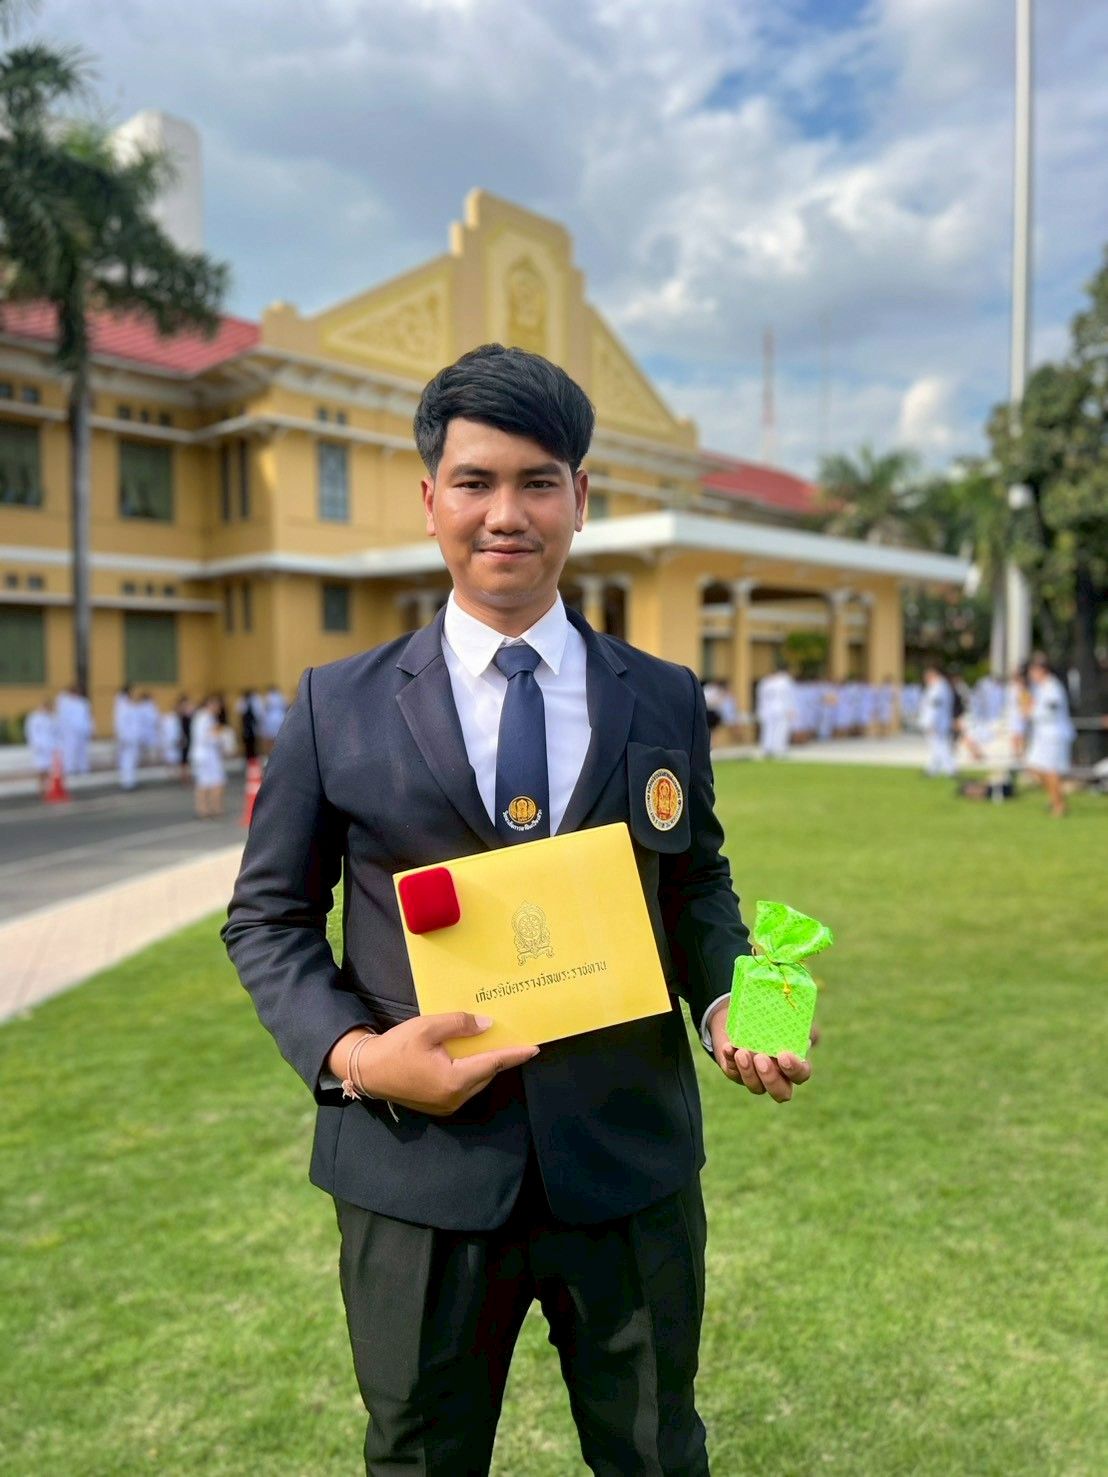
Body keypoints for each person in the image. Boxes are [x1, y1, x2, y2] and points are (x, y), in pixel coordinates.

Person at [223, 344, 811, 1477]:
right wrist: (358, 1057)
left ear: (580, 498)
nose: (507, 513)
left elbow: (694, 884)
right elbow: (268, 919)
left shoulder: (662, 695)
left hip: (626, 1157)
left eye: (539, 481)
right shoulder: (337, 706)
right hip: (418, 1165)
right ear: (430, 499)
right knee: (420, 1458)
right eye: (477, 482)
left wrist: (734, 1004)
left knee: (656, 1453)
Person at [1024, 652, 1075, 817]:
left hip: (1054, 735)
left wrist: (1030, 712)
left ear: (1042, 670)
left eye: (1033, 670)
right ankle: (1056, 797)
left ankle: (1059, 805)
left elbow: (1049, 711)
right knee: (1035, 767)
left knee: (1050, 770)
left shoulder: (1053, 688)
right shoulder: (1040, 688)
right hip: (1042, 735)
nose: (1031, 674)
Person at [189, 694, 227, 817]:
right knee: (216, 781)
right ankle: (214, 808)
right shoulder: (207, 718)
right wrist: (221, 738)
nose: (219, 708)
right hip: (207, 755)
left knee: (204, 783)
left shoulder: (200, 716)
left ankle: (204, 809)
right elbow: (209, 737)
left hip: (202, 754)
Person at [919, 663, 956, 777]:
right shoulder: (938, 687)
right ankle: (933, 769)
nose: (925, 679)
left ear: (933, 675)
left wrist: (931, 722)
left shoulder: (939, 688)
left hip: (937, 723)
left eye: (927, 677)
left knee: (940, 746)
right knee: (935, 747)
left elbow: (935, 708)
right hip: (938, 722)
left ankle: (951, 769)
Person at [756, 660, 795, 758]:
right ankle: (779, 749)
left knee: (768, 729)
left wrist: (760, 710)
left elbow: (760, 698)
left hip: (767, 709)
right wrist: (791, 709)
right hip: (781, 708)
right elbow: (789, 696)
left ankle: (767, 748)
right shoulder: (785, 681)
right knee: (781, 729)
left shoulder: (765, 682)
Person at [25, 696, 57, 795]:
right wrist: (35, 744)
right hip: (39, 746)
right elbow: (31, 732)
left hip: (49, 746)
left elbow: (54, 732)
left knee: (49, 768)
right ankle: (41, 788)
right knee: (41, 768)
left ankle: (48, 788)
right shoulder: (34, 717)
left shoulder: (50, 718)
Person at [113, 685, 142, 790]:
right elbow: (120, 724)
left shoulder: (129, 705)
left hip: (133, 738)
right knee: (127, 760)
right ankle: (127, 782)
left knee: (132, 760)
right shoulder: (122, 706)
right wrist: (122, 738)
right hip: (127, 738)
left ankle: (131, 781)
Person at [261, 684, 287, 753]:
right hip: (280, 717)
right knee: (277, 737)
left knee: (271, 738)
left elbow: (265, 709)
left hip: (270, 719)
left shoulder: (268, 697)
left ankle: (271, 753)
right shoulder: (280, 696)